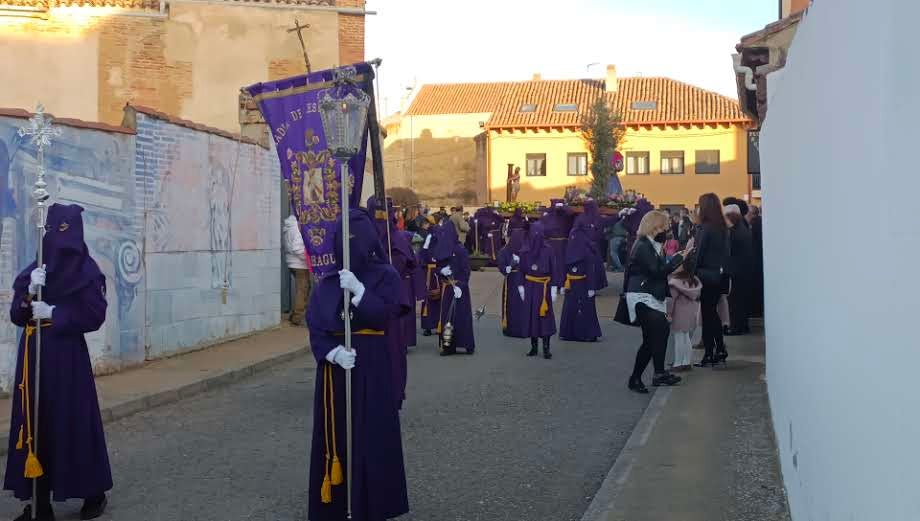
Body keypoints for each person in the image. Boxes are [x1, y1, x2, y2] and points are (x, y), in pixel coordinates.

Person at [5, 203, 112, 521]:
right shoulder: (35, 269)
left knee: (72, 423)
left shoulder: (86, 271)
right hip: (33, 360)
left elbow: (95, 314)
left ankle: (93, 491)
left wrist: (55, 313)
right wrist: (28, 293)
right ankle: (39, 504)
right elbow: (16, 316)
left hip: (67, 362)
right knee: (35, 426)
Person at [306, 207, 409, 521]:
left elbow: (388, 317)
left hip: (373, 364)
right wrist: (332, 353)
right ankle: (334, 506)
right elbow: (316, 325)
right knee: (336, 435)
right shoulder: (327, 281)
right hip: (336, 372)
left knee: (372, 433)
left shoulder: (386, 275)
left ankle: (373, 504)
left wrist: (361, 292)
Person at [625, 210, 687, 393]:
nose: (667, 230)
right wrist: (677, 259)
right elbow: (657, 271)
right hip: (642, 295)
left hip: (650, 294)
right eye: (664, 226)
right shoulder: (643, 245)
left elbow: (658, 268)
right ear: (654, 226)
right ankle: (648, 375)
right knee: (657, 334)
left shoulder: (652, 243)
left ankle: (649, 375)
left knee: (653, 338)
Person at [367, 196, 415, 409]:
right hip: (366, 304)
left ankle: (393, 393)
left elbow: (404, 264)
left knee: (392, 349)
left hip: (389, 302)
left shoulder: (395, 238)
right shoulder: (367, 236)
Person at [693, 193, 729, 367]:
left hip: (705, 276)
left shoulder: (705, 228)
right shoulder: (722, 227)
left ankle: (715, 350)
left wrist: (691, 272)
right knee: (710, 313)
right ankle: (714, 351)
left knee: (709, 315)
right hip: (718, 276)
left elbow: (698, 254)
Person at [518, 222, 561, 359]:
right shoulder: (525, 250)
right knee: (532, 317)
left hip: (544, 288)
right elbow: (521, 270)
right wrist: (521, 287)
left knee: (545, 317)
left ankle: (546, 348)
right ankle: (534, 346)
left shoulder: (548, 250)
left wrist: (554, 287)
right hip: (530, 286)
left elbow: (553, 268)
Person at [431, 222, 475, 355]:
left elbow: (466, 269)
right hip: (447, 288)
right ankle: (448, 346)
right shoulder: (441, 249)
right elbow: (437, 267)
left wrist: (461, 285)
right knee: (447, 318)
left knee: (462, 317)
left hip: (459, 288)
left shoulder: (460, 249)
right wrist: (441, 271)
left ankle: (467, 344)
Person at [559, 219, 603, 342]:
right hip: (572, 284)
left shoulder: (587, 252)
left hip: (583, 284)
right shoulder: (569, 250)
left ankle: (587, 333)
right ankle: (568, 333)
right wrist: (563, 283)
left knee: (585, 308)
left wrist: (591, 287)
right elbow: (564, 268)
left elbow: (590, 271)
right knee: (571, 308)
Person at [667, 253, 701, 372]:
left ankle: (677, 363)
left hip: (679, 313)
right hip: (691, 312)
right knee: (686, 337)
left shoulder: (675, 281)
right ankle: (686, 362)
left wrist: (668, 314)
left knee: (678, 338)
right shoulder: (694, 280)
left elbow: (671, 300)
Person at [724, 204, 754, 336]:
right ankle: (743, 325)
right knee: (742, 300)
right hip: (744, 270)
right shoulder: (743, 229)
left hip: (737, 271)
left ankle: (736, 327)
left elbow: (729, 253)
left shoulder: (735, 233)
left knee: (735, 301)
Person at [496, 228, 528, 338]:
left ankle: (524, 327)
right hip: (511, 280)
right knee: (512, 304)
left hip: (524, 279)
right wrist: (508, 267)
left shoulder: (526, 250)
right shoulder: (504, 251)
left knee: (522, 304)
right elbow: (501, 265)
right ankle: (512, 327)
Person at [284, 214, 312, 326]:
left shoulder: (289, 226)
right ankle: (297, 317)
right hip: (300, 264)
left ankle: (296, 314)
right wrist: (308, 259)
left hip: (292, 262)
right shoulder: (298, 227)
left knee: (304, 288)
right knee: (303, 289)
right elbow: (297, 248)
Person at [541, 199, 573, 290]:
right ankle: (552, 282)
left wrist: (563, 207)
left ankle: (562, 283)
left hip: (562, 245)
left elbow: (570, 213)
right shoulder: (548, 214)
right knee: (552, 264)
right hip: (551, 244)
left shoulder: (565, 215)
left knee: (562, 265)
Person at [418, 225, 441, 337]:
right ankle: (435, 325)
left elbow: (422, 256)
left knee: (429, 300)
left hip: (429, 273)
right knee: (435, 299)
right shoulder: (440, 242)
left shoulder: (428, 241)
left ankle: (429, 326)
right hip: (435, 272)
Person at [748, 205, 764, 318]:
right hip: (758, 259)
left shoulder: (754, 224)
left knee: (755, 286)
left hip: (755, 259)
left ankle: (755, 310)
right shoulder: (760, 222)